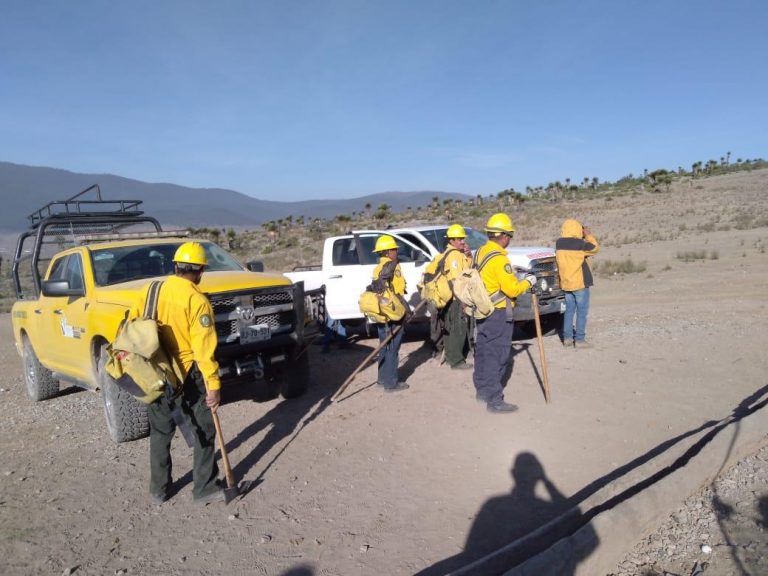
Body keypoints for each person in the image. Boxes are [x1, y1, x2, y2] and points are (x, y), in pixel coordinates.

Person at [146, 241, 225, 504]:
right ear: (200, 271)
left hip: (154, 372)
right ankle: (204, 488)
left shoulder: (153, 290)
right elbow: (203, 350)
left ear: (176, 266)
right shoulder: (196, 300)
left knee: (160, 431)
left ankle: (159, 489)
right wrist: (213, 385)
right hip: (187, 372)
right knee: (203, 429)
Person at [473, 213, 536, 414]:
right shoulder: (499, 259)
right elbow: (512, 290)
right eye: (509, 235)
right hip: (498, 312)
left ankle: (482, 391)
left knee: (483, 351)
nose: (509, 239)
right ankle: (495, 400)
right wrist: (528, 282)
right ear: (502, 235)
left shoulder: (479, 252)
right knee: (497, 355)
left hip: (482, 310)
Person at [371, 234, 410, 392]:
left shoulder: (377, 268)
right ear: (387, 252)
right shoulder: (394, 267)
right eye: (394, 249)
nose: (396, 251)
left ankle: (382, 378)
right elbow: (399, 291)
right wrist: (406, 310)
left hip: (381, 312)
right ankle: (391, 383)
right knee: (392, 348)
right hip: (393, 313)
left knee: (384, 346)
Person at [555, 219, 600, 348]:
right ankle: (579, 340)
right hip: (579, 283)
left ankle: (567, 339)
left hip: (566, 283)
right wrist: (588, 235)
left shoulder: (559, 244)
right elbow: (595, 248)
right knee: (581, 312)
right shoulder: (580, 244)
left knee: (569, 311)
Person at [436, 224, 473, 369]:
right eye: (459, 239)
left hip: (455, 297)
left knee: (452, 327)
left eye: (463, 238)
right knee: (458, 328)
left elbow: (467, 270)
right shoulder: (453, 256)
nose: (463, 241)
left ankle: (454, 356)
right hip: (455, 298)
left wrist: (468, 256)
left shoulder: (458, 253)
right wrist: (461, 301)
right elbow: (456, 280)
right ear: (451, 240)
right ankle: (456, 361)